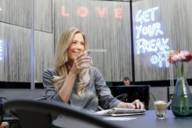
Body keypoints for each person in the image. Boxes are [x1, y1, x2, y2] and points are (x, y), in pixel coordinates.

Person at [43, 27, 144, 112]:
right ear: (64, 46)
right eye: (74, 42)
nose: (79, 47)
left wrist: (128, 105)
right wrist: (73, 73)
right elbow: (54, 108)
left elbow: (108, 100)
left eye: (82, 44)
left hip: (91, 122)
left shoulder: (93, 72)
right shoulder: (50, 74)